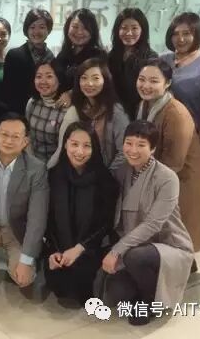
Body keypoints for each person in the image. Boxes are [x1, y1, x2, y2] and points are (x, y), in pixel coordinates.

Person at [94, 121, 194, 326]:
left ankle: (149, 303)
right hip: (133, 244)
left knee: (136, 257)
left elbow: (153, 224)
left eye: (141, 145)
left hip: (167, 245)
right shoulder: (122, 171)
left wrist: (116, 251)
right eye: (129, 143)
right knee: (114, 294)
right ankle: (141, 287)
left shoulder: (167, 178)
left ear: (153, 148)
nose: (133, 150)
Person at [0, 113, 48, 302]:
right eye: (4, 135)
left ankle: (26, 263)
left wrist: (26, 261)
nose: (9, 141)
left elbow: (37, 218)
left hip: (17, 230)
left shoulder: (36, 169)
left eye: (15, 136)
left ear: (25, 142)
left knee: (24, 279)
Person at [136, 58, 200, 254]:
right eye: (142, 79)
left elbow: (174, 161)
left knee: (182, 236)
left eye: (154, 81)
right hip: (162, 172)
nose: (146, 85)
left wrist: (144, 183)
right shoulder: (145, 104)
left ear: (167, 83)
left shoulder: (175, 113)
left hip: (185, 177)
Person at [45, 122, 119, 305]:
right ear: (65, 144)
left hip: (90, 247)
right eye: (74, 144)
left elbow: (106, 224)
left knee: (80, 291)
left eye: (87, 146)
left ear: (95, 148)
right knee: (60, 288)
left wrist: (78, 249)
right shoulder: (53, 175)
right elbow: (48, 221)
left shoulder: (105, 179)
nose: (79, 151)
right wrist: (54, 251)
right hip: (60, 247)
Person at [48, 58, 129, 172]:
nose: (89, 83)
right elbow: (63, 146)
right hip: (77, 171)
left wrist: (107, 176)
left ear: (105, 80)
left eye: (95, 78)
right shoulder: (77, 108)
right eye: (84, 78)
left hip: (104, 173)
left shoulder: (116, 112)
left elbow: (124, 152)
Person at [159, 12, 200, 130]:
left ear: (197, 35)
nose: (180, 39)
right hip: (158, 128)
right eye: (175, 34)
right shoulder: (162, 60)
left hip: (192, 131)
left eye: (186, 34)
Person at [107, 8, 157, 120]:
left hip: (139, 114)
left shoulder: (150, 57)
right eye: (124, 28)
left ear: (142, 30)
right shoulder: (111, 56)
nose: (129, 33)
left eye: (134, 28)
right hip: (114, 113)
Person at [3, 9, 55, 114]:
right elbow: (7, 91)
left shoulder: (51, 57)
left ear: (48, 30)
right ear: (27, 29)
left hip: (44, 113)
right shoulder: (14, 55)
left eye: (42, 27)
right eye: (32, 27)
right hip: (19, 113)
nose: (36, 31)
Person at [56, 8, 107, 103]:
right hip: (60, 106)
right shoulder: (63, 54)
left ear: (92, 32)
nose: (79, 32)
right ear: (67, 28)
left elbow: (101, 85)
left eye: (85, 28)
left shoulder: (99, 56)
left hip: (86, 106)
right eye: (75, 27)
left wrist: (72, 93)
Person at [25, 58, 68, 162]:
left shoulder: (67, 109)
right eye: (39, 76)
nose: (43, 81)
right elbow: (27, 135)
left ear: (59, 79)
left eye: (49, 76)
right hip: (32, 162)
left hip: (56, 164)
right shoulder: (32, 102)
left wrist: (46, 168)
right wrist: (33, 164)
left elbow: (63, 148)